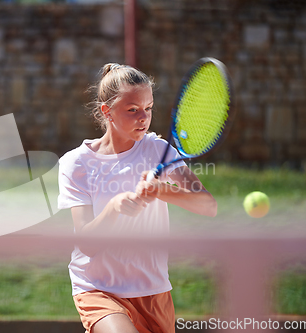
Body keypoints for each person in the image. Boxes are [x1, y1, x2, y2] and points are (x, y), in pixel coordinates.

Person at [57, 63, 217, 333]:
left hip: (152, 289)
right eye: (132, 110)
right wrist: (114, 207)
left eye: (149, 108)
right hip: (97, 288)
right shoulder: (76, 163)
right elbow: (87, 244)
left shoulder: (158, 150)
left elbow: (208, 206)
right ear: (107, 111)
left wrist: (159, 190)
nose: (143, 117)